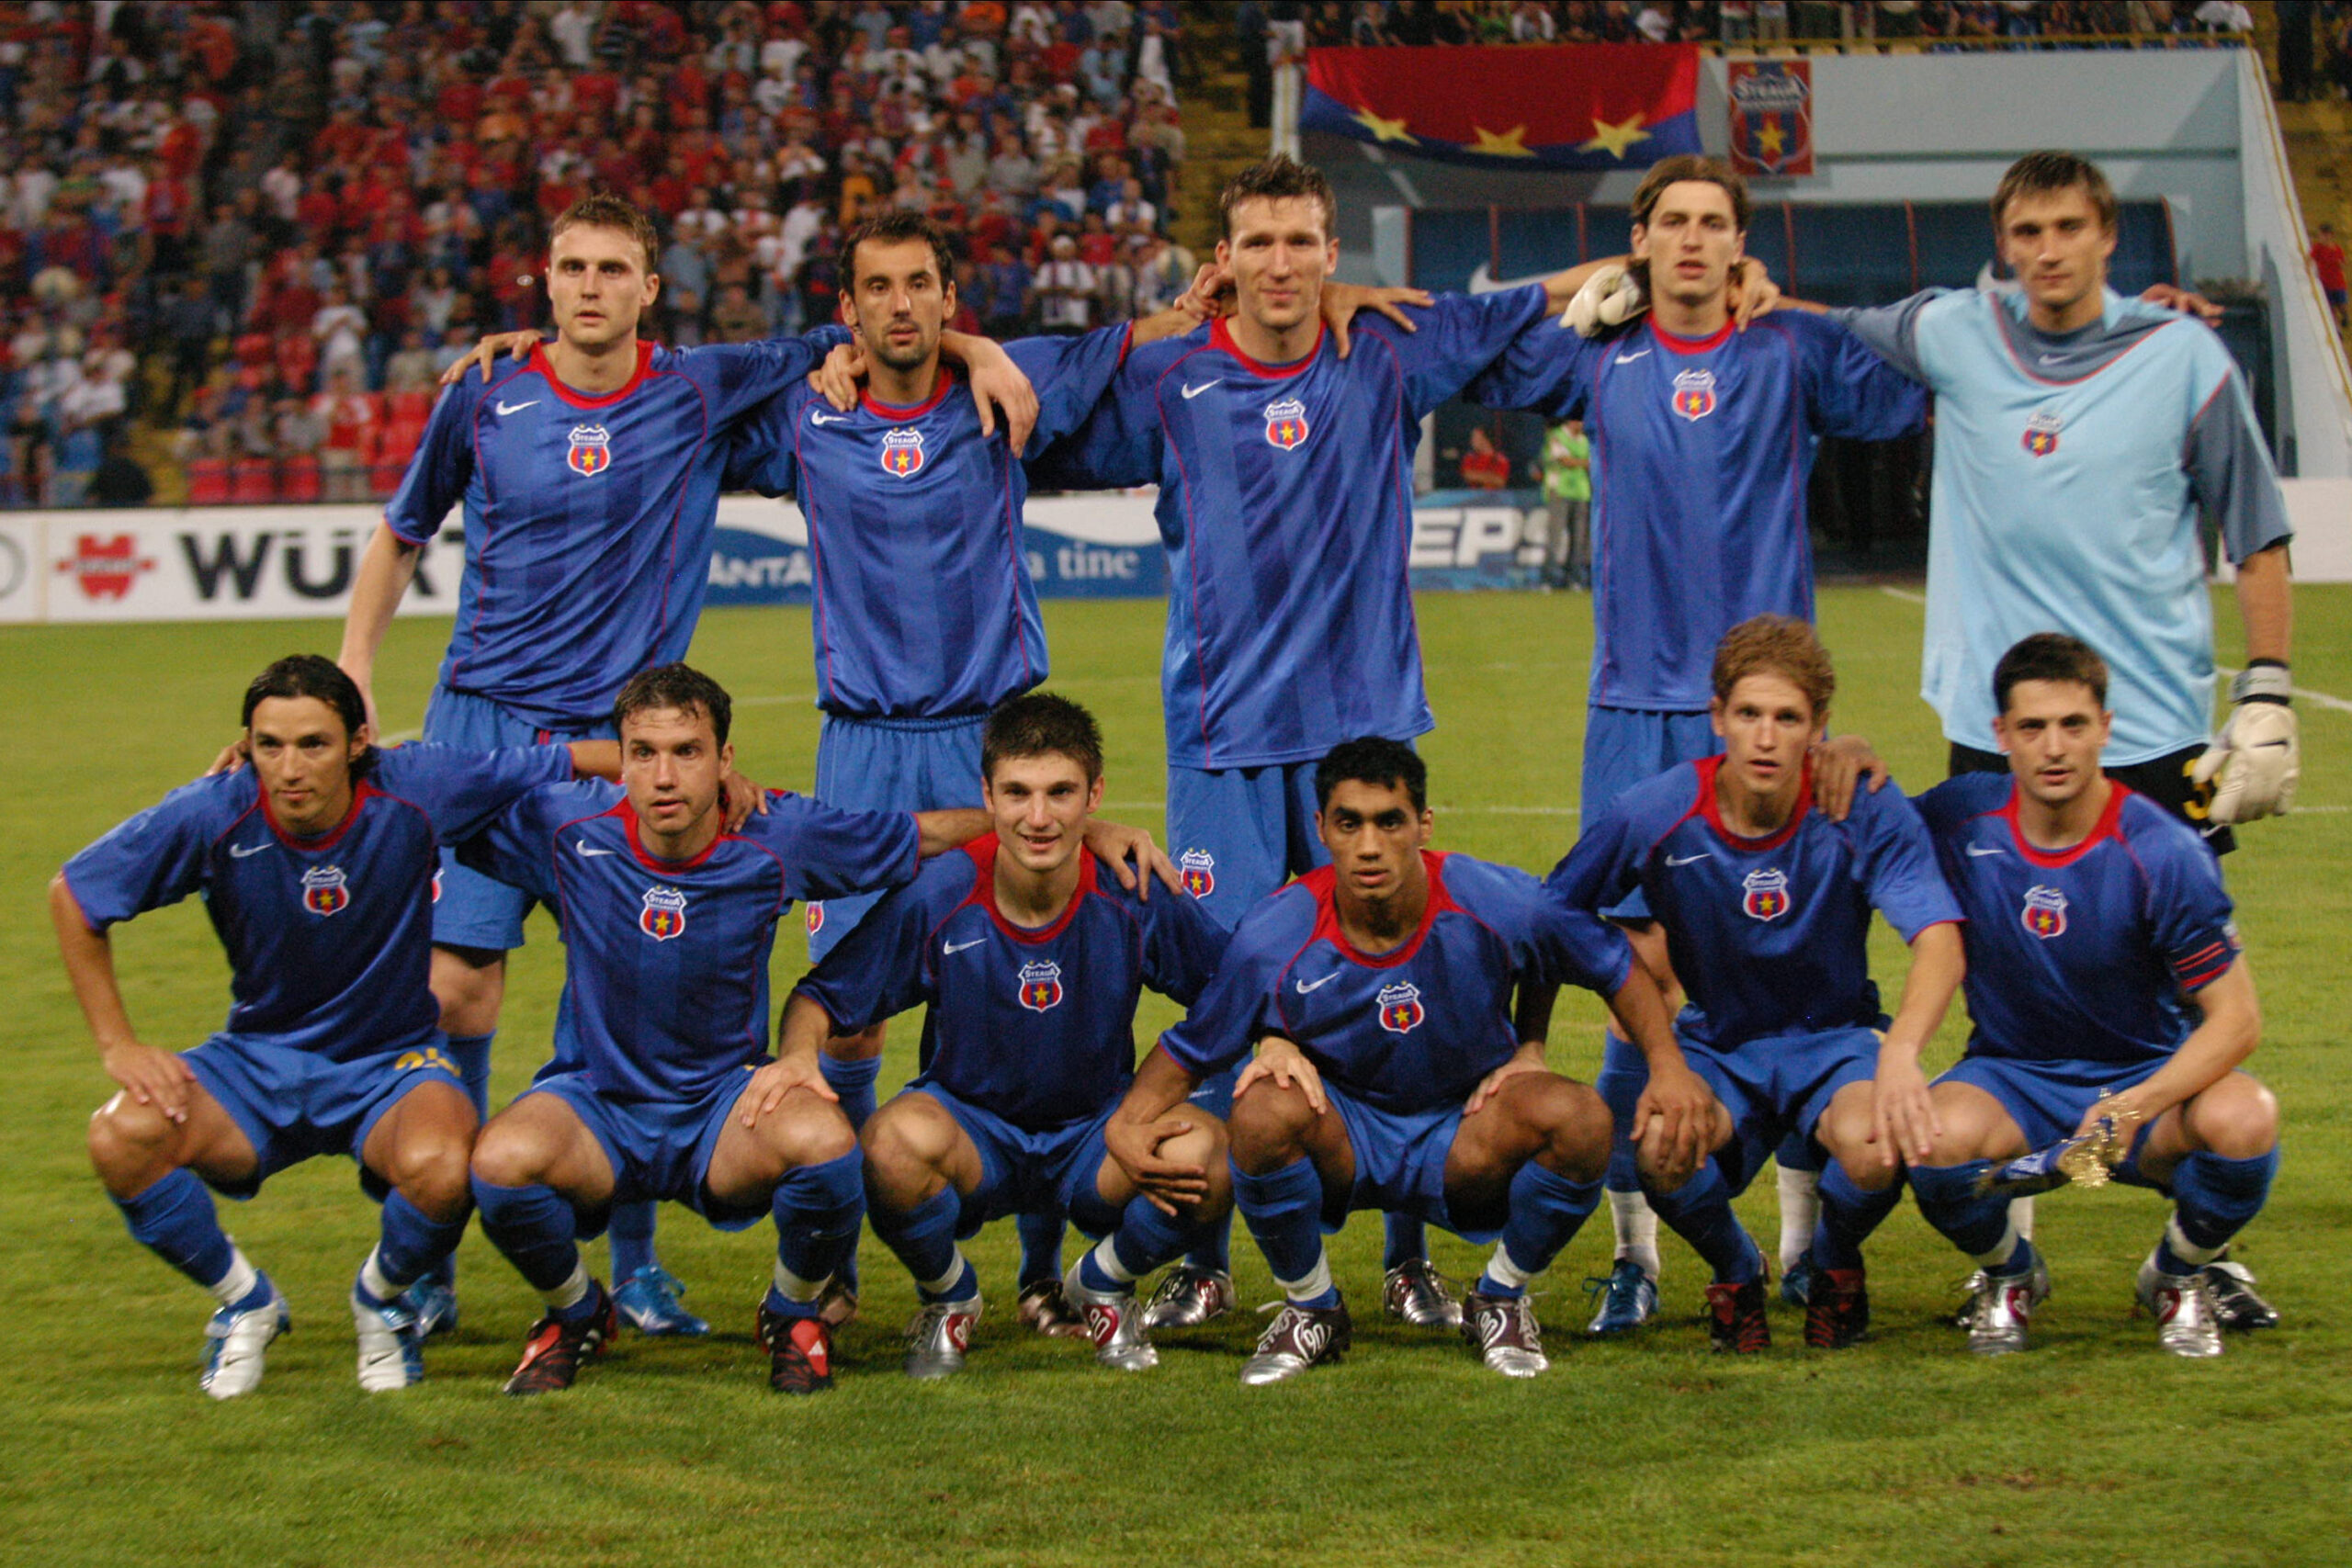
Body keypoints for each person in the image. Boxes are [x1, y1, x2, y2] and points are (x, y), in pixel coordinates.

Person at [343, 191, 1036, 1339]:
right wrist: (355, 669)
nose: (591, 286)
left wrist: (979, 347)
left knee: (636, 981)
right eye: (573, 267)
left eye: (614, 268)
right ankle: (429, 1261)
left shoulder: (697, 386)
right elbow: (402, 531)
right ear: (545, 280)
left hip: (628, 738)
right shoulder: (486, 391)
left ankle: (638, 1266)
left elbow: (870, 328)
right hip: (485, 720)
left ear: (649, 288)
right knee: (458, 988)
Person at [1033, 153, 1604, 1331]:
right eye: (1259, 243)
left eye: (1302, 242)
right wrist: (1142, 324)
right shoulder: (1170, 374)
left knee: (1407, 982)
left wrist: (1667, 268)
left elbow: (1548, 296)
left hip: (1361, 738)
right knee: (1224, 996)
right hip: (1225, 737)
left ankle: (1406, 1253)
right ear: (1222, 260)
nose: (1282, 264)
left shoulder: (1382, 347)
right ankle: (1204, 1257)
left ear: (1333, 254)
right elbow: (1026, 403)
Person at [724, 209, 1212, 1333]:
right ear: (845, 308)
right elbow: (686, 387)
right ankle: (836, 1258)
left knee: (1035, 987)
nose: (899, 305)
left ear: (950, 299)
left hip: (993, 734)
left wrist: (1157, 316)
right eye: (876, 288)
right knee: (849, 1016)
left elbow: (1114, 346)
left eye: (920, 286)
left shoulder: (1002, 389)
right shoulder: (807, 412)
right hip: (862, 740)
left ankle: (1041, 1272)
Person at [1467, 153, 1928, 1333]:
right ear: (1640, 240)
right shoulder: (1597, 353)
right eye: (1667, 222)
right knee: (1636, 975)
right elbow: (1471, 344)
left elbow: (1916, 380)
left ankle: (1800, 1244)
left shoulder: (1786, 349)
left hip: (1765, 710)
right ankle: (1637, 1257)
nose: (1688, 240)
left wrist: (1792, 300)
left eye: (1711, 223)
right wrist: (1582, 289)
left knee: (1793, 971)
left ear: (1738, 245)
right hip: (1634, 704)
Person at [458, 665, 1172, 1394]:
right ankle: (576, 1310)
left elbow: (918, 835)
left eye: (687, 751)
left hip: (719, 1108)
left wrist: (1078, 829)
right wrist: (570, 759)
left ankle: (791, 1310)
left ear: (726, 759)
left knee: (829, 1148)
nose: (664, 776)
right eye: (643, 753)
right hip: (596, 1100)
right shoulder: (565, 825)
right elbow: (445, 798)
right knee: (500, 1163)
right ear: (620, 758)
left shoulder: (778, 835)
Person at [56, 656, 610, 1397]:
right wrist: (117, 1044)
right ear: (246, 745)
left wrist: (707, 781)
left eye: (313, 743)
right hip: (257, 1062)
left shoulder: (415, 785)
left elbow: (573, 758)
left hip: (391, 1064)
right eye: (270, 744)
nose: (290, 768)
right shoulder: (213, 811)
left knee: (448, 1165)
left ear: (357, 742)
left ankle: (380, 1302)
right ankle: (246, 1303)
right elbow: (75, 895)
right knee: (120, 1136)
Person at [1109, 738, 1716, 1384]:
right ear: (1321, 829)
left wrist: (1665, 1066)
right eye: (1349, 823)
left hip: (1466, 1128)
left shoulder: (1491, 900)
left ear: (1423, 825)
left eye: (1389, 822)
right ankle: (1312, 1307)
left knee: (1583, 1120)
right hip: (1344, 1133)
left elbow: (1611, 961)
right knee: (1259, 1111)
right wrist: (1128, 1122)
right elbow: (1194, 1045)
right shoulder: (1277, 930)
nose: (1369, 846)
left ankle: (1500, 1298)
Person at [1791, 152, 2299, 852]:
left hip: (2150, 722)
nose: (2049, 250)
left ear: (2107, 236)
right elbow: (1821, 325)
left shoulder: (2184, 355)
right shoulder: (1952, 330)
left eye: (2069, 227)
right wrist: (1745, 284)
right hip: (1999, 724)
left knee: (2169, 921)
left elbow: (2258, 536)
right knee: (1999, 923)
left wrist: (2267, 691)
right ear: (2003, 245)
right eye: (2028, 232)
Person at [1544, 617, 1966, 1353]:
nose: (1766, 737)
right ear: (1717, 717)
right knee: (1662, 1148)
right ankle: (1737, 1268)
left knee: (1878, 1143)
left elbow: (1939, 940)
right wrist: (1605, 1036)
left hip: (1834, 1042)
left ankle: (1833, 1261)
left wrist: (1900, 1054)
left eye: (1787, 718)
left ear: (1819, 725)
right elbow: (1552, 917)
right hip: (1720, 1044)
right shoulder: (1658, 811)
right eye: (1748, 714)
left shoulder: (1858, 804)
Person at [779, 694, 1233, 1376]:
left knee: (1209, 1156)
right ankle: (949, 1296)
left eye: (1061, 793)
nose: (1039, 817)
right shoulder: (944, 891)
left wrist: (1145, 1103)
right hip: (973, 1133)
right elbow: (823, 995)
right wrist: (795, 1058)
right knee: (888, 1148)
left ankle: (1102, 1283)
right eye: (1018, 793)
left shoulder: (1132, 890)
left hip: (1096, 1133)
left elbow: (1234, 994)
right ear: (987, 796)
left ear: (1094, 796)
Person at [1907, 634, 2279, 1357]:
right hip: (2013, 1076)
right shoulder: (1960, 816)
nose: (2054, 747)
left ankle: (2176, 1273)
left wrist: (2134, 1106)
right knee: (1930, 1138)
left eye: (2073, 724)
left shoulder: (2164, 850)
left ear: (2105, 728)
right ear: (2001, 735)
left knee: (2246, 1117)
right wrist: (1851, 759)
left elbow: (2237, 1020)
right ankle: (2011, 1274)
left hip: (2146, 1080)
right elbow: (1863, 827)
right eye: (2033, 727)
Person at [1536, 418, 1589, 590]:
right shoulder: (1556, 436)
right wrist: (1585, 463)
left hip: (1581, 492)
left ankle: (1574, 579)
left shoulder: (1584, 439)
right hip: (1559, 491)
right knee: (1555, 537)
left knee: (1578, 540)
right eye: (1579, 420)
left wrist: (1581, 462)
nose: (1582, 424)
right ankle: (1548, 579)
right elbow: (1564, 460)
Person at [2311, 221, 2346, 333]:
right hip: (2326, 284)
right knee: (2331, 309)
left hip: (2338, 283)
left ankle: (2344, 316)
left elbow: (2342, 263)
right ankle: (2337, 330)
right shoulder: (2318, 248)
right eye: (2322, 235)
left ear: (2331, 236)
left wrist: (2339, 263)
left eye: (2326, 235)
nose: (2324, 238)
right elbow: (2310, 258)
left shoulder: (2337, 249)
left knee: (2342, 305)